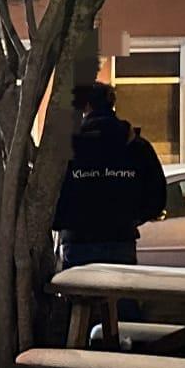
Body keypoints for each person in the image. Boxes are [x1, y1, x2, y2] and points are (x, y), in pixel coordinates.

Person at [53, 81, 167, 269]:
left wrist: (64, 222)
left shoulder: (67, 148)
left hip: (78, 243)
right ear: (112, 104)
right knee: (120, 293)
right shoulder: (136, 146)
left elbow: (50, 195)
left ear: (86, 106)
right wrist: (133, 218)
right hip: (121, 242)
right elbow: (157, 196)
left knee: (79, 295)